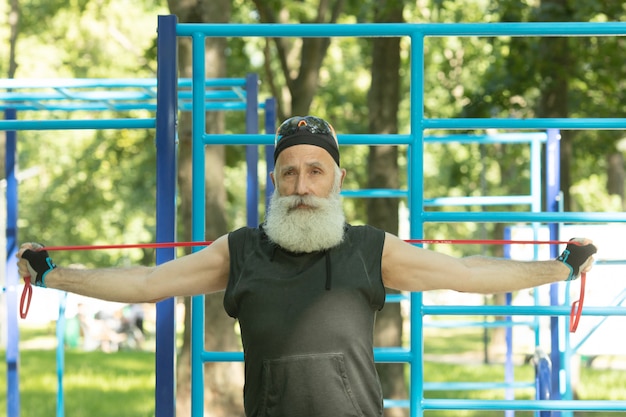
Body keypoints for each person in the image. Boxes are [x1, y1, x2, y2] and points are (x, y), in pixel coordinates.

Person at [17, 115, 597, 417]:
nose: (301, 186)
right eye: (289, 172)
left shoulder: (371, 248)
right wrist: (51, 275)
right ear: (274, 180)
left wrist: (559, 269)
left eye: (315, 171)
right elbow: (146, 283)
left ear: (338, 180)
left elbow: (468, 275)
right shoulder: (239, 250)